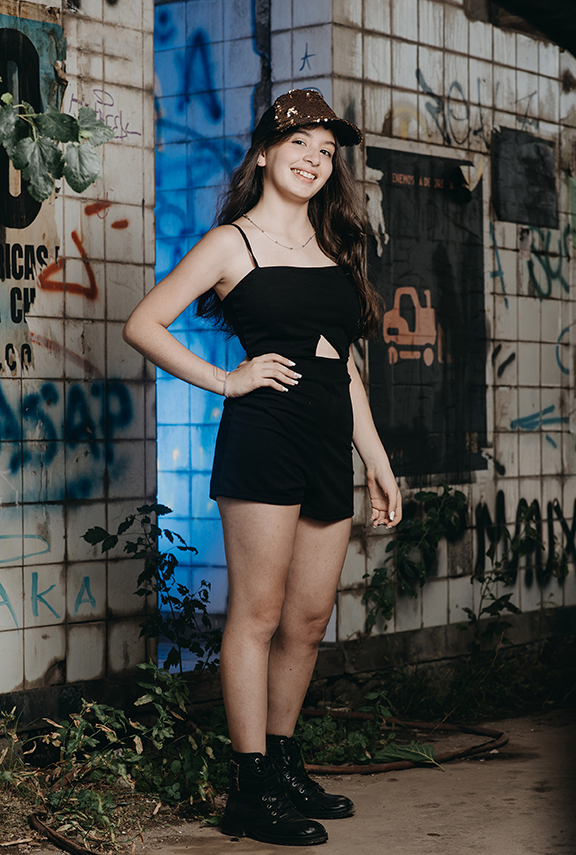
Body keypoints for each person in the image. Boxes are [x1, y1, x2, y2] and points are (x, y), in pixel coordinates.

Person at [123, 89, 402, 846]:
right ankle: (249, 789)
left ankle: (281, 764)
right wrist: (227, 380)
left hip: (327, 443)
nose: (313, 159)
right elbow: (142, 323)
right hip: (265, 438)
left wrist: (377, 460)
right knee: (257, 615)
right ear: (266, 152)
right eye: (299, 143)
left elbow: (343, 366)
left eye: (326, 151)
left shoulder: (333, 249)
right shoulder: (231, 243)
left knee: (308, 620)